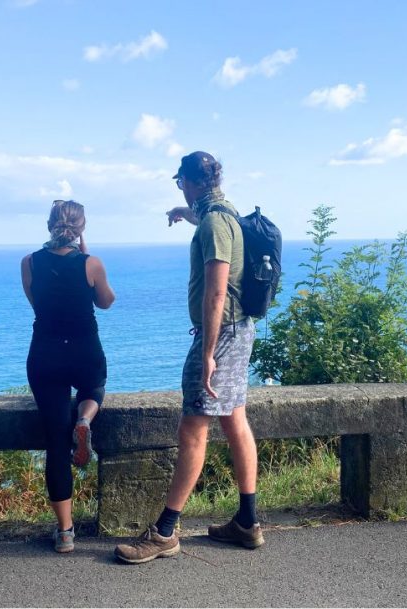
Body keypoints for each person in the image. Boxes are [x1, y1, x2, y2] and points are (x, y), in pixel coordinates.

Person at [114, 151, 263, 564]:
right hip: (240, 329)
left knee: (193, 430)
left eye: (180, 183)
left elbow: (216, 291)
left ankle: (164, 532)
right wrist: (184, 211)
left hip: (222, 335)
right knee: (235, 419)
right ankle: (247, 523)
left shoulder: (215, 222)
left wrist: (208, 352)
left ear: (188, 180)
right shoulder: (224, 210)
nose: (180, 189)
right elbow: (209, 221)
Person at [21, 199, 115, 553]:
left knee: (56, 444)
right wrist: (86, 255)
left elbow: (37, 303)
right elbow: (105, 301)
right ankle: (86, 418)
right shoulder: (91, 264)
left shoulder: (28, 263)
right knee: (94, 387)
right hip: (84, 350)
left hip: (45, 354)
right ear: (81, 228)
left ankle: (64, 532)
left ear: (49, 225)